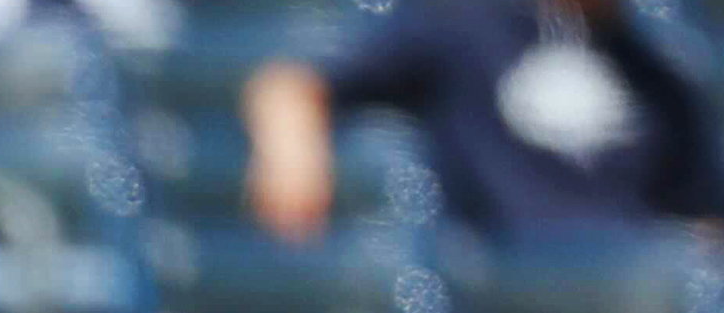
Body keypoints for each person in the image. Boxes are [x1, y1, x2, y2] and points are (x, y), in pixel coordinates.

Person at [244, 0, 722, 246]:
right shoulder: (465, 22)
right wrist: (292, 155)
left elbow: (700, 219)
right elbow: (290, 86)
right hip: (493, 307)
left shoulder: (663, 80)